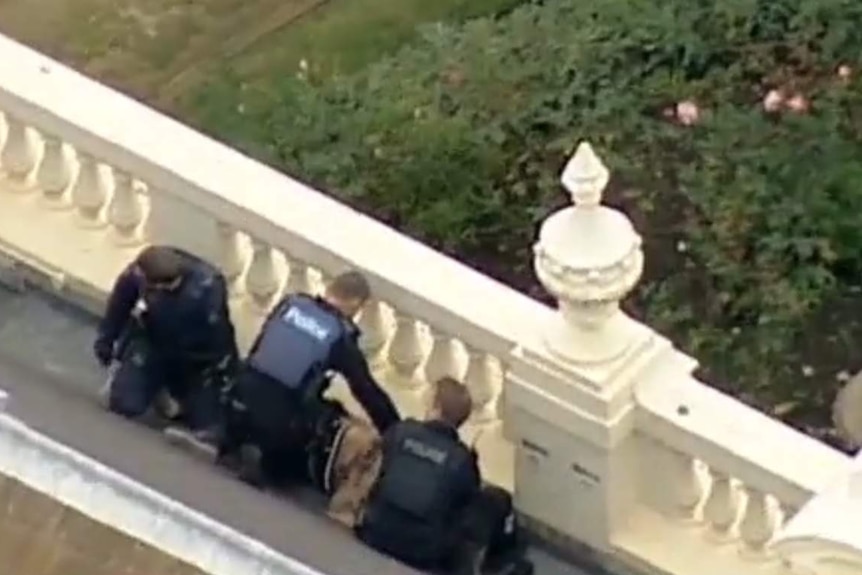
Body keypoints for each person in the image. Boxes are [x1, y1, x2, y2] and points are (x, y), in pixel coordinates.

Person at [215, 270, 400, 488]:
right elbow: (366, 391)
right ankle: (271, 464)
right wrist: (396, 431)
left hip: (237, 399)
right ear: (356, 304)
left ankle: (235, 441)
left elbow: (259, 350)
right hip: (279, 425)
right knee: (328, 414)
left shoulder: (290, 304)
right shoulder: (339, 336)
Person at [357, 378, 533, 575]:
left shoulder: (402, 431)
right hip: (423, 553)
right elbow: (465, 503)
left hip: (374, 530)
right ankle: (500, 563)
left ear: (435, 405)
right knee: (494, 499)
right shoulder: (462, 460)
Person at [94, 245, 238, 432]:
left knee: (207, 424)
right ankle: (152, 388)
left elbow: (221, 336)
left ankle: (185, 398)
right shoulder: (137, 275)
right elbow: (119, 305)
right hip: (154, 344)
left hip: (197, 359)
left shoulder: (207, 289)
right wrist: (106, 339)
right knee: (125, 404)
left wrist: (223, 370)